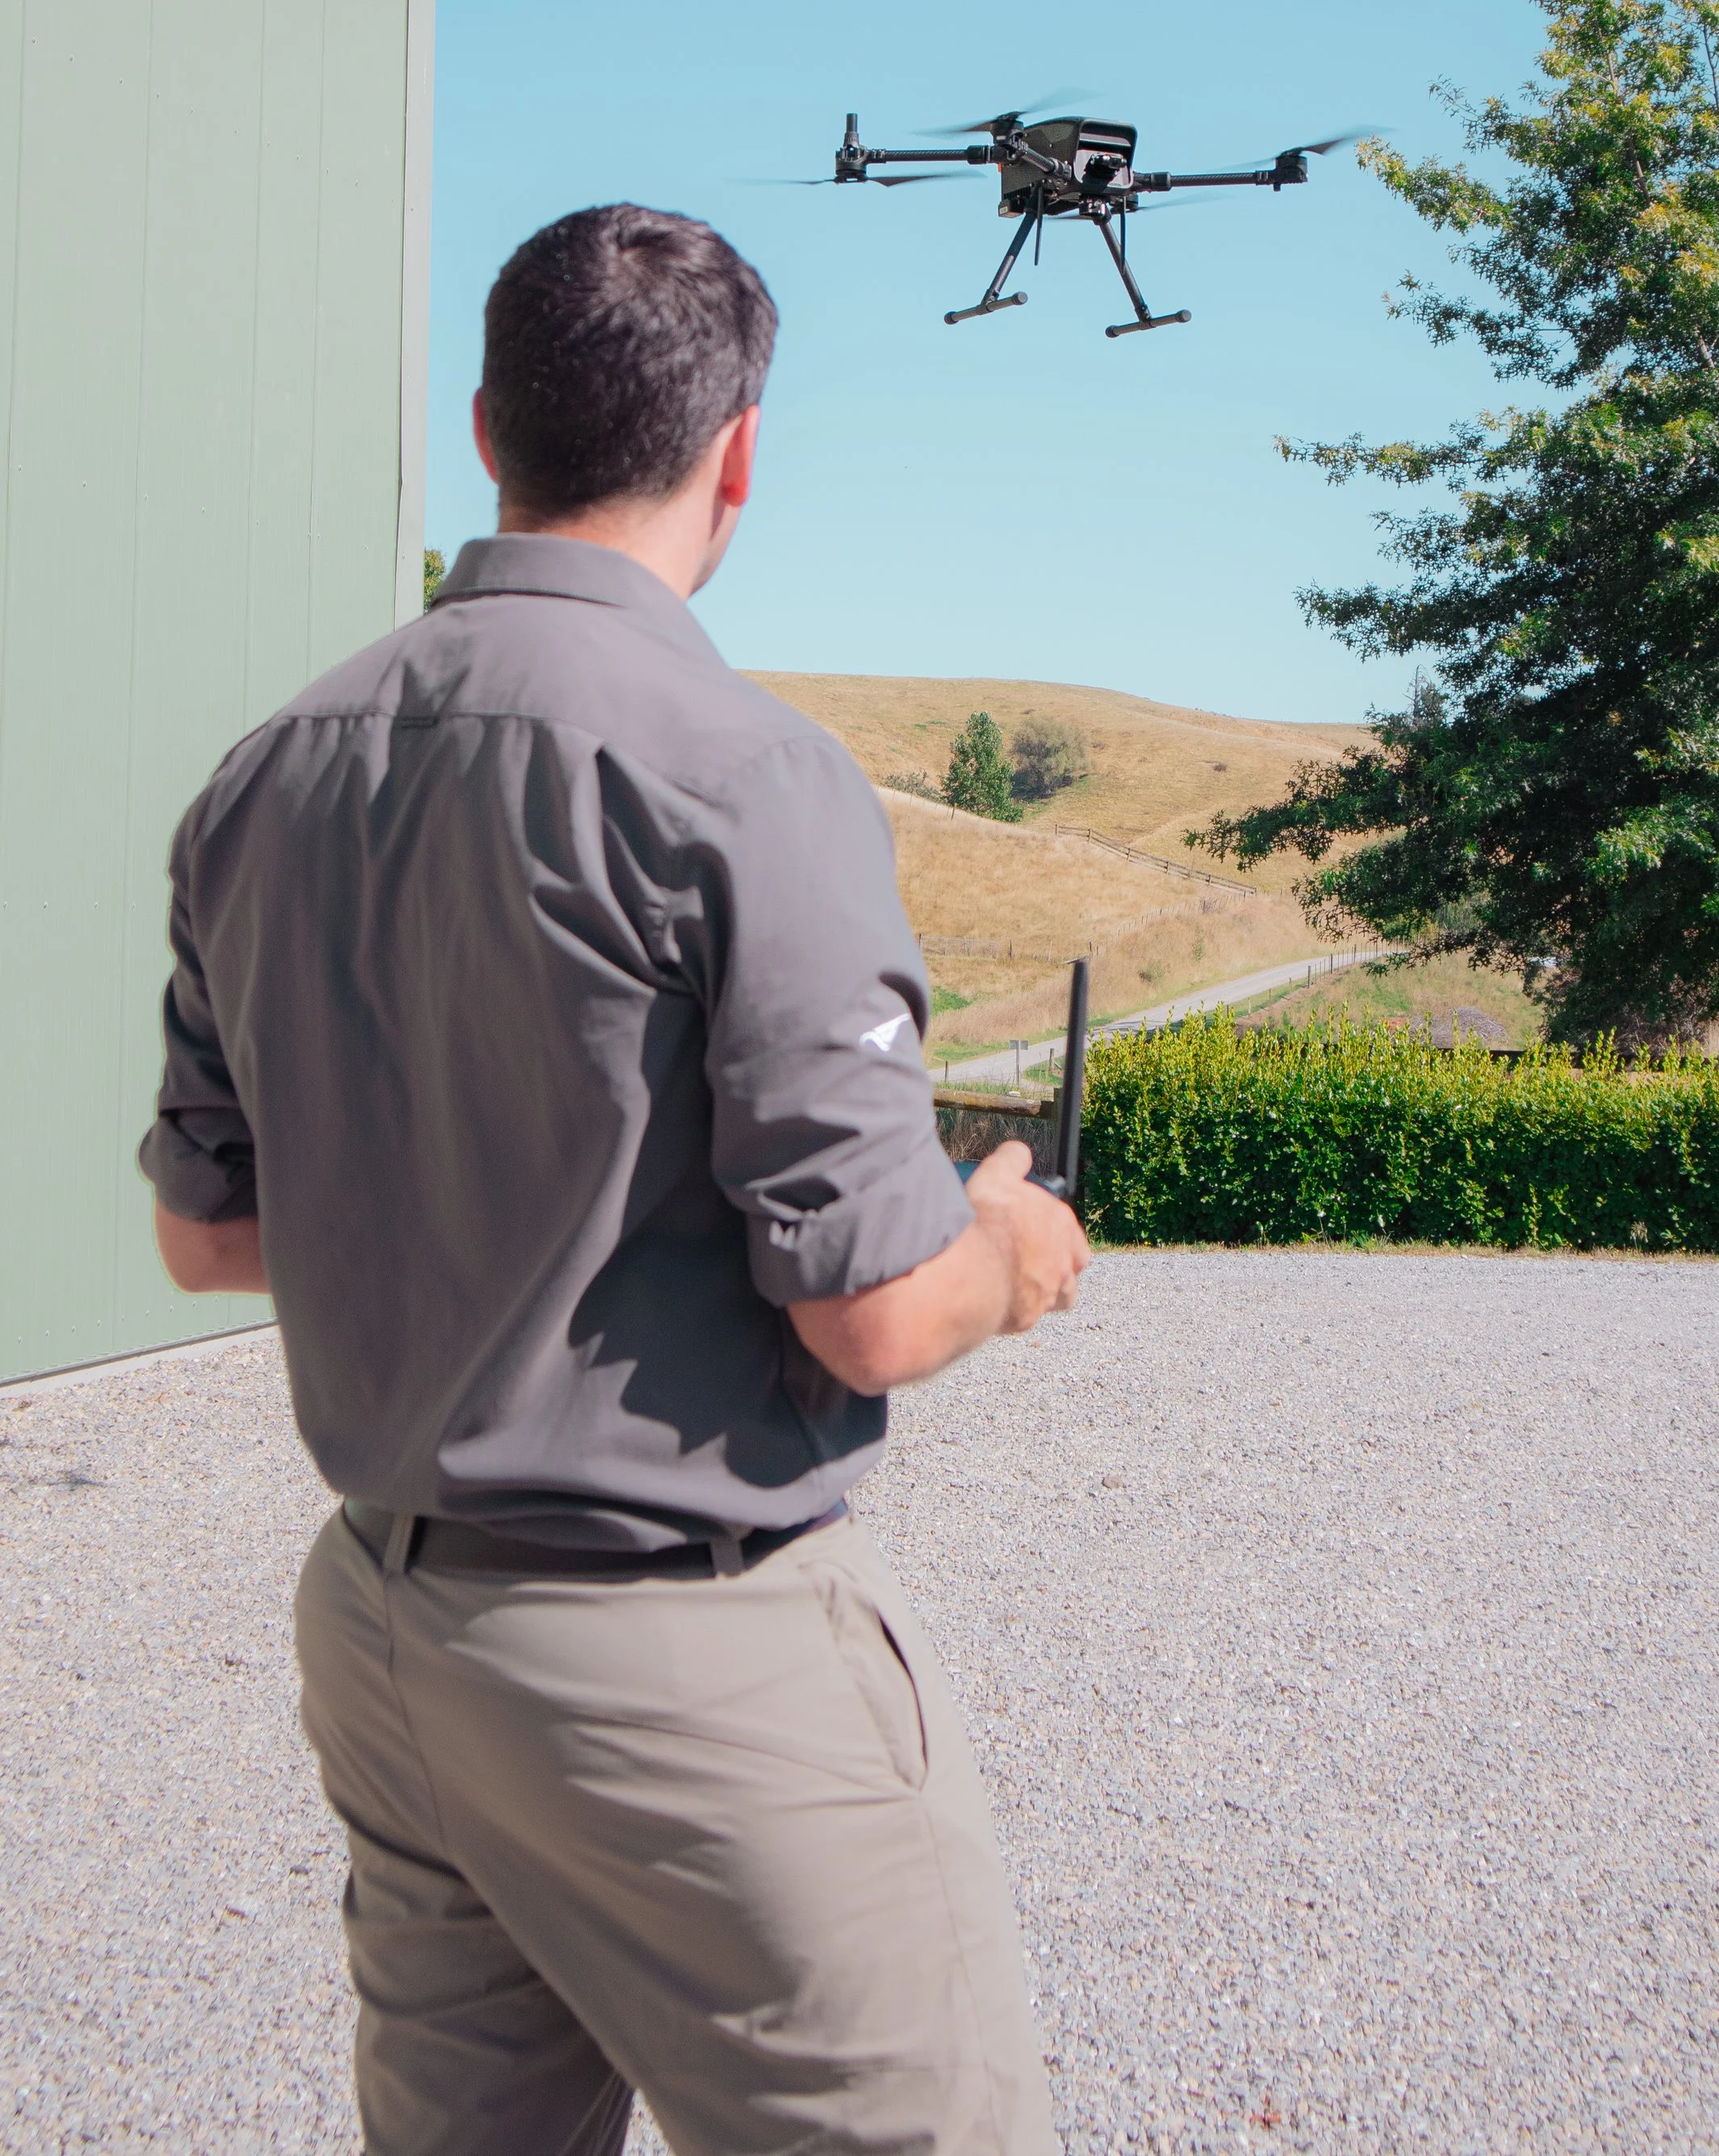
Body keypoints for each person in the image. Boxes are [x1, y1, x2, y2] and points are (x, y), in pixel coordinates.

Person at [140, 204, 1088, 2156]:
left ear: (488, 427)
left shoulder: (261, 775)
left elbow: (207, 1231)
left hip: (395, 1639)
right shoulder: (746, 776)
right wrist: (1004, 1243)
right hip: (680, 1664)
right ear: (738, 451)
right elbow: (875, 1309)